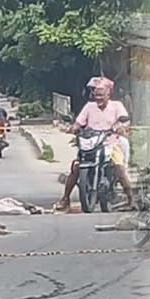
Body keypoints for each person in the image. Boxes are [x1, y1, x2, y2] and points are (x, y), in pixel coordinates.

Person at [55, 78, 134, 211]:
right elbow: (78, 122)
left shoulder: (117, 106)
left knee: (120, 169)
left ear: (108, 95)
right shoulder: (89, 107)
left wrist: (122, 127)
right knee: (76, 168)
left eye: (101, 95)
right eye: (96, 95)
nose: (98, 98)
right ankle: (65, 198)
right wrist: (73, 128)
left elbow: (125, 121)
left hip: (111, 142)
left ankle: (131, 199)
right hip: (90, 143)